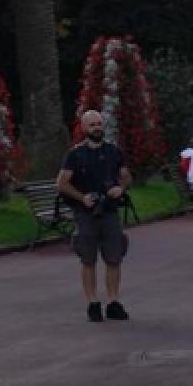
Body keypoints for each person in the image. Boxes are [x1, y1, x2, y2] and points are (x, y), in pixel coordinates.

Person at [57, 110, 133, 323]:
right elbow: (62, 183)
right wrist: (82, 198)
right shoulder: (75, 155)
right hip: (85, 214)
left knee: (114, 258)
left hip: (109, 212)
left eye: (99, 124)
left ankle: (113, 302)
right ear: (84, 128)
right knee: (88, 259)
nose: (97, 128)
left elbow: (126, 176)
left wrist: (120, 188)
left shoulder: (114, 152)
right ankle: (93, 303)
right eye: (92, 125)